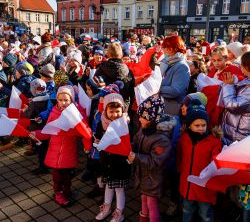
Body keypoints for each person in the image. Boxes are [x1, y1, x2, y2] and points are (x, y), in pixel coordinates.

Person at [33, 85, 91, 206]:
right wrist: (36, 134)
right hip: (54, 152)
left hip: (68, 152)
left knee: (67, 176)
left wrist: (87, 146)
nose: (63, 103)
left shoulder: (76, 114)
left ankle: (66, 190)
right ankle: (58, 193)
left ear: (71, 100)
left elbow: (85, 131)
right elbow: (47, 131)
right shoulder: (54, 112)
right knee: (57, 177)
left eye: (66, 100)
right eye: (60, 100)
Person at [127, 94, 172, 222]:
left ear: (153, 119)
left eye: (143, 117)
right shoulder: (144, 129)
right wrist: (128, 146)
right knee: (143, 199)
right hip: (144, 175)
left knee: (152, 204)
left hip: (154, 178)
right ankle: (143, 218)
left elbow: (155, 161)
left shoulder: (162, 139)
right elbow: (136, 141)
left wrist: (136, 157)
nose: (140, 119)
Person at [177, 100, 222, 222]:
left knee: (205, 214)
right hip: (188, 185)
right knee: (187, 210)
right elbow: (180, 156)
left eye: (203, 125)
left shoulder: (213, 142)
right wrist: (180, 170)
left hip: (204, 188)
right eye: (197, 125)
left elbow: (216, 164)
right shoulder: (184, 138)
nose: (201, 128)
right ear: (189, 125)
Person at [95, 92, 130, 222]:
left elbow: (128, 143)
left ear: (123, 110)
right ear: (105, 110)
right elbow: (98, 137)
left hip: (120, 162)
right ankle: (107, 208)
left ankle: (119, 212)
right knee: (109, 186)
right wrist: (98, 142)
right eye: (111, 111)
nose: (115, 115)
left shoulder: (125, 124)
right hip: (106, 161)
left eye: (117, 111)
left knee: (119, 189)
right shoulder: (101, 123)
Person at [221, 51, 250, 143]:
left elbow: (233, 106)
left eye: (241, 64)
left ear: (246, 66)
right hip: (237, 131)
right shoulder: (247, 80)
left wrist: (228, 85)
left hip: (239, 136)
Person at [160, 35, 190, 116]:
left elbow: (175, 90)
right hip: (166, 104)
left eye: (164, 47)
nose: (163, 50)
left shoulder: (181, 66)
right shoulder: (169, 62)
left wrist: (157, 88)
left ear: (172, 48)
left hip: (172, 107)